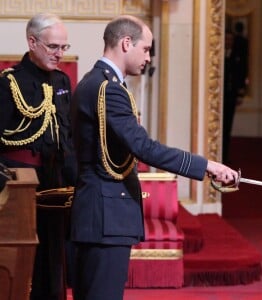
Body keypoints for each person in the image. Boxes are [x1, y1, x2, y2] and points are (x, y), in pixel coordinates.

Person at [70, 15, 239, 300]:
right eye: (146, 49)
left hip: (98, 213)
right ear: (126, 43)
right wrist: (207, 165)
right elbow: (144, 148)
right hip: (105, 216)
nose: (148, 58)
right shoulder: (108, 89)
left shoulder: (96, 82)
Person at [0, 13, 76, 300]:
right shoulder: (9, 84)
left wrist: (76, 183)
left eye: (64, 47)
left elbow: (66, 138)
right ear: (32, 42)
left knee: (54, 253)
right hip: (19, 184)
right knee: (23, 254)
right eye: (53, 47)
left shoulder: (62, 81)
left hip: (54, 182)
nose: (60, 54)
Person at [223, 22, 248, 163]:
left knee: (228, 128)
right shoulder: (217, 56)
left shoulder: (238, 56)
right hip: (218, 97)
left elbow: (241, 73)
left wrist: (240, 93)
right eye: (226, 40)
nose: (228, 42)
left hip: (231, 96)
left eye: (231, 40)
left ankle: (225, 156)